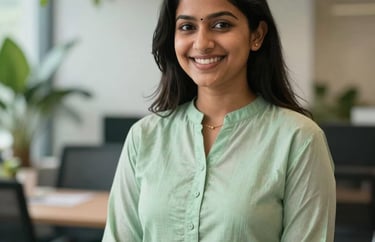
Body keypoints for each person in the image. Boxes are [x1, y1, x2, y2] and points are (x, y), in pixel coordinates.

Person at [102, 0, 336, 241]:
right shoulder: (144, 136)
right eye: (187, 27)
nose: (202, 43)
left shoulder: (299, 139)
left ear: (257, 35)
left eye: (221, 25)